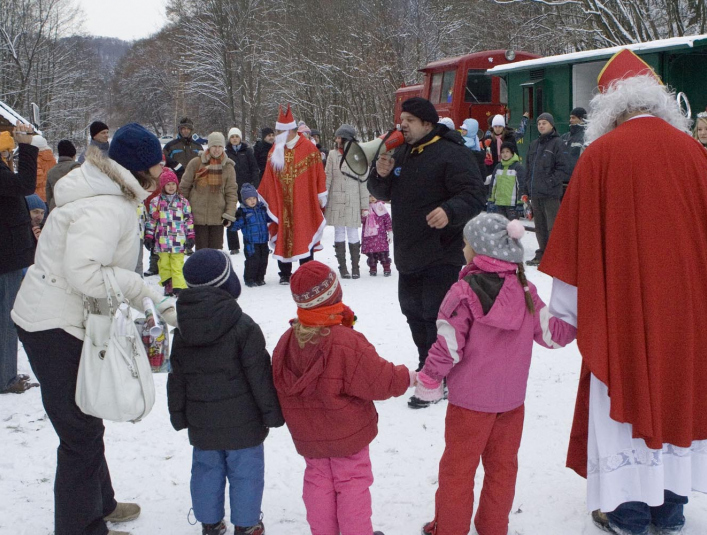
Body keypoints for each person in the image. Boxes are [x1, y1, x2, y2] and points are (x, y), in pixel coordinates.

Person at [537, 49, 707, 535]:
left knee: (621, 405)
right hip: (688, 311)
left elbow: (575, 246)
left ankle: (628, 512)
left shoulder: (601, 155)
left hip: (623, 311)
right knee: (677, 398)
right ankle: (670, 510)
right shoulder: (694, 154)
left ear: (609, 108)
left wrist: (563, 313)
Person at [12, 123, 179, 535]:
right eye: (157, 166)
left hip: (55, 316)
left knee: (86, 417)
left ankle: (100, 503)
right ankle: (81, 527)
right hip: (53, 323)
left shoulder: (104, 191)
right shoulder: (107, 206)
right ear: (138, 169)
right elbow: (85, 272)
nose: (162, 173)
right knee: (79, 434)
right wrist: (144, 291)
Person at [417, 213, 576, 535]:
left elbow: (449, 345)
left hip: (469, 405)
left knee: (457, 471)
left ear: (478, 251)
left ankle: (449, 528)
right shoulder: (526, 290)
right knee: (503, 469)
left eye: (466, 244)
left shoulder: (462, 292)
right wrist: (580, 312)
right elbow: (552, 335)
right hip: (511, 403)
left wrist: (429, 379)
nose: (463, 249)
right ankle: (493, 526)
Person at [271, 261, 414, 535]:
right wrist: (407, 377)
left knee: (318, 483)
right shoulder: (344, 341)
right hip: (346, 435)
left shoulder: (287, 341)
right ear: (334, 296)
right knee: (352, 484)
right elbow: (379, 379)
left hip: (309, 436)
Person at [368, 96, 484, 408]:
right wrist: (380, 174)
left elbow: (474, 195)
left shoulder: (452, 153)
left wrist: (449, 210)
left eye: (409, 120)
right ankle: (427, 365)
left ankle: (440, 375)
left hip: (442, 250)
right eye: (401, 119)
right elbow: (382, 192)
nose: (402, 125)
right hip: (408, 249)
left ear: (427, 124)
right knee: (412, 311)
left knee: (436, 313)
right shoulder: (401, 152)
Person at [168, 249, 284, 535]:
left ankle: (210, 523)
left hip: (202, 423)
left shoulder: (182, 332)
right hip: (244, 424)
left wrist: (179, 415)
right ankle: (246, 526)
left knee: (206, 470)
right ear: (227, 283)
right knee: (246, 473)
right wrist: (272, 413)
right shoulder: (243, 326)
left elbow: (177, 378)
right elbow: (259, 375)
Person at [256, 104, 327, 285]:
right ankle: (285, 273)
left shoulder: (309, 149)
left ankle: (307, 270)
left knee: (305, 231)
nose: (280, 135)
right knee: (283, 232)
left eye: (283, 131)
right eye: (278, 131)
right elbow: (268, 176)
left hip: (304, 200)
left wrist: (320, 193)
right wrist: (266, 197)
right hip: (283, 201)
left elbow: (319, 172)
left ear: (293, 130)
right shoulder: (275, 149)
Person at [1, 122, 38, 395]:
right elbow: (24, 184)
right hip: (6, 255)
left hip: (7, 252)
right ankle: (6, 377)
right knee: (6, 317)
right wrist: (26, 147)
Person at [522, 112, 569, 266]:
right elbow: (528, 168)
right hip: (535, 193)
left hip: (550, 194)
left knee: (553, 226)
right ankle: (542, 253)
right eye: (539, 123)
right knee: (540, 227)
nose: (541, 126)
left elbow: (562, 168)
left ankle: (556, 255)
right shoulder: (534, 144)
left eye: (544, 123)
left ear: (551, 125)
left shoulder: (558, 143)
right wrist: (526, 188)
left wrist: (550, 182)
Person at [179, 132, 238, 251]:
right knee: (201, 251)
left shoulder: (228, 167)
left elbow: (231, 192)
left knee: (216, 251)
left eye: (220, 146)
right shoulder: (196, 163)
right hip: (198, 215)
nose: (217, 150)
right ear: (209, 147)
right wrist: (182, 210)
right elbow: (184, 187)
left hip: (218, 216)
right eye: (214, 146)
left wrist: (229, 213)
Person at [325, 124, 369, 279]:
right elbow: (328, 176)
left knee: (352, 231)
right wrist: (323, 197)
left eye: (339, 137)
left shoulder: (359, 155)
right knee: (339, 231)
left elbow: (363, 180)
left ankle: (355, 267)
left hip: (353, 197)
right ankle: (343, 267)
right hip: (336, 198)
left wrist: (365, 205)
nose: (337, 140)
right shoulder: (332, 154)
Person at [144, 168, 194, 296]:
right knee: (164, 264)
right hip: (162, 240)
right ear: (163, 185)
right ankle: (168, 284)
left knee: (177, 265)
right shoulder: (156, 202)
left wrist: (190, 236)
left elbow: (188, 220)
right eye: (168, 184)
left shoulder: (182, 202)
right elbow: (151, 220)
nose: (171, 187)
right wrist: (149, 235)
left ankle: (179, 288)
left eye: (173, 184)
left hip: (178, 240)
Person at [225, 127, 261, 255]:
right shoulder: (226, 153)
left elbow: (254, 169)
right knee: (230, 214)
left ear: (240, 138)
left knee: (251, 214)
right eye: (232, 137)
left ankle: (252, 239)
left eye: (236, 136)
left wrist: (254, 186)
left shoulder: (247, 152)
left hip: (246, 189)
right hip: (230, 189)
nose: (234, 139)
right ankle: (233, 245)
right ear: (229, 139)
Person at [232, 183, 272, 287]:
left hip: (263, 240)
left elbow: (270, 218)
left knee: (263, 260)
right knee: (253, 260)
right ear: (244, 200)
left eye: (254, 198)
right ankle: (249, 278)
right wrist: (234, 220)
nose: (252, 201)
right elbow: (235, 226)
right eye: (249, 199)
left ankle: (260, 278)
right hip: (251, 242)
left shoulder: (261, 209)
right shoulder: (243, 212)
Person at [487, 141, 524, 220]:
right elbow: (493, 185)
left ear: (512, 153)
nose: (505, 154)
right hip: (499, 204)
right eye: (503, 152)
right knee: (500, 227)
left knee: (512, 228)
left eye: (507, 151)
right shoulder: (498, 167)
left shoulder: (517, 167)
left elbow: (521, 185)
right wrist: (491, 200)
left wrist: (520, 202)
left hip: (512, 205)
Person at [458, 118, 489, 202]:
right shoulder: (477, 143)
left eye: (465, 129)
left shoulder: (464, 143)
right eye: (462, 129)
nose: (462, 131)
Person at [361, 195, 393, 277]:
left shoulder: (380, 207)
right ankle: (373, 268)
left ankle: (386, 268)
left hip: (380, 236)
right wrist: (363, 216)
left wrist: (389, 231)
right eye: (370, 196)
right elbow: (362, 221)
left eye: (374, 196)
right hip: (369, 237)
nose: (372, 198)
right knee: (371, 254)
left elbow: (387, 220)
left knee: (383, 253)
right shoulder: (365, 208)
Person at [46, 140, 81, 211]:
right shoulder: (76, 168)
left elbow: (48, 195)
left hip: (56, 208)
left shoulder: (51, 172)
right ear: (74, 155)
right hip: (74, 208)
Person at [561, 106, 587, 183]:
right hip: (562, 179)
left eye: (573, 118)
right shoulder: (565, 136)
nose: (570, 120)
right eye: (570, 118)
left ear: (582, 119)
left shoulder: (586, 137)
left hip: (576, 180)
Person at [31, 135, 56, 201]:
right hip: (50, 192)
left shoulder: (36, 158)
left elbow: (37, 179)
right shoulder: (51, 157)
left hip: (37, 195)